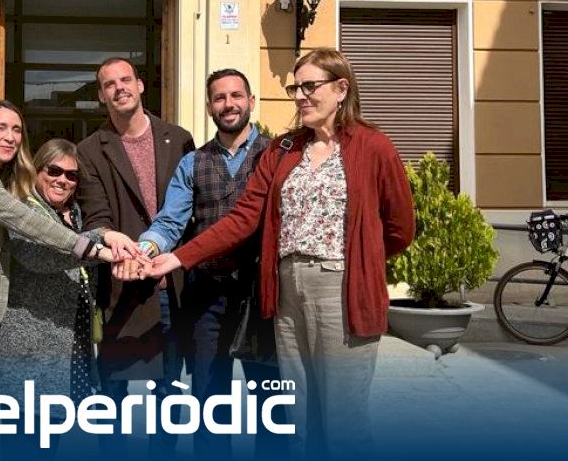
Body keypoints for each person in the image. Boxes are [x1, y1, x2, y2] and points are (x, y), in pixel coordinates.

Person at [139, 49, 416, 459]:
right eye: (295, 88)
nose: (300, 96)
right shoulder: (285, 149)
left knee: (343, 422)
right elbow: (243, 218)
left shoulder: (373, 146)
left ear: (341, 88)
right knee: (297, 415)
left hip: (341, 288)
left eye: (310, 86)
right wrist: (179, 257)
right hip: (286, 292)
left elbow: (400, 228)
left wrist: (362, 261)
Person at [0, 100, 142, 459]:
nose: (10, 136)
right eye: (0, 127)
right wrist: (97, 247)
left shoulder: (1, 179)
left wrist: (108, 238)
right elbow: (28, 224)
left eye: (16, 129)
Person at [116, 68, 284, 460]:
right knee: (210, 397)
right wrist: (145, 250)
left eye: (236, 95)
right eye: (220, 98)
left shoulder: (276, 155)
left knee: (271, 400)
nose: (229, 104)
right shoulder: (193, 162)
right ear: (209, 107)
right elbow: (170, 222)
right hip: (208, 294)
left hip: (263, 293)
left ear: (251, 101)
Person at [75, 57, 194, 456]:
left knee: (169, 388)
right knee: (114, 387)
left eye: (126, 79)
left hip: (170, 282)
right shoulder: (89, 150)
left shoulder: (179, 139)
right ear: (101, 95)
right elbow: (96, 216)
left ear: (141, 85)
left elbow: (189, 210)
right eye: (109, 84)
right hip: (120, 279)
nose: (119, 88)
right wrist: (113, 240)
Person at [0, 138, 106, 456]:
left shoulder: (75, 214)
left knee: (48, 443)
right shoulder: (22, 209)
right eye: (54, 171)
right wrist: (100, 243)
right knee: (23, 446)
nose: (63, 180)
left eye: (71, 175)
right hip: (28, 350)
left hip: (68, 345)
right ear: (37, 170)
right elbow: (38, 256)